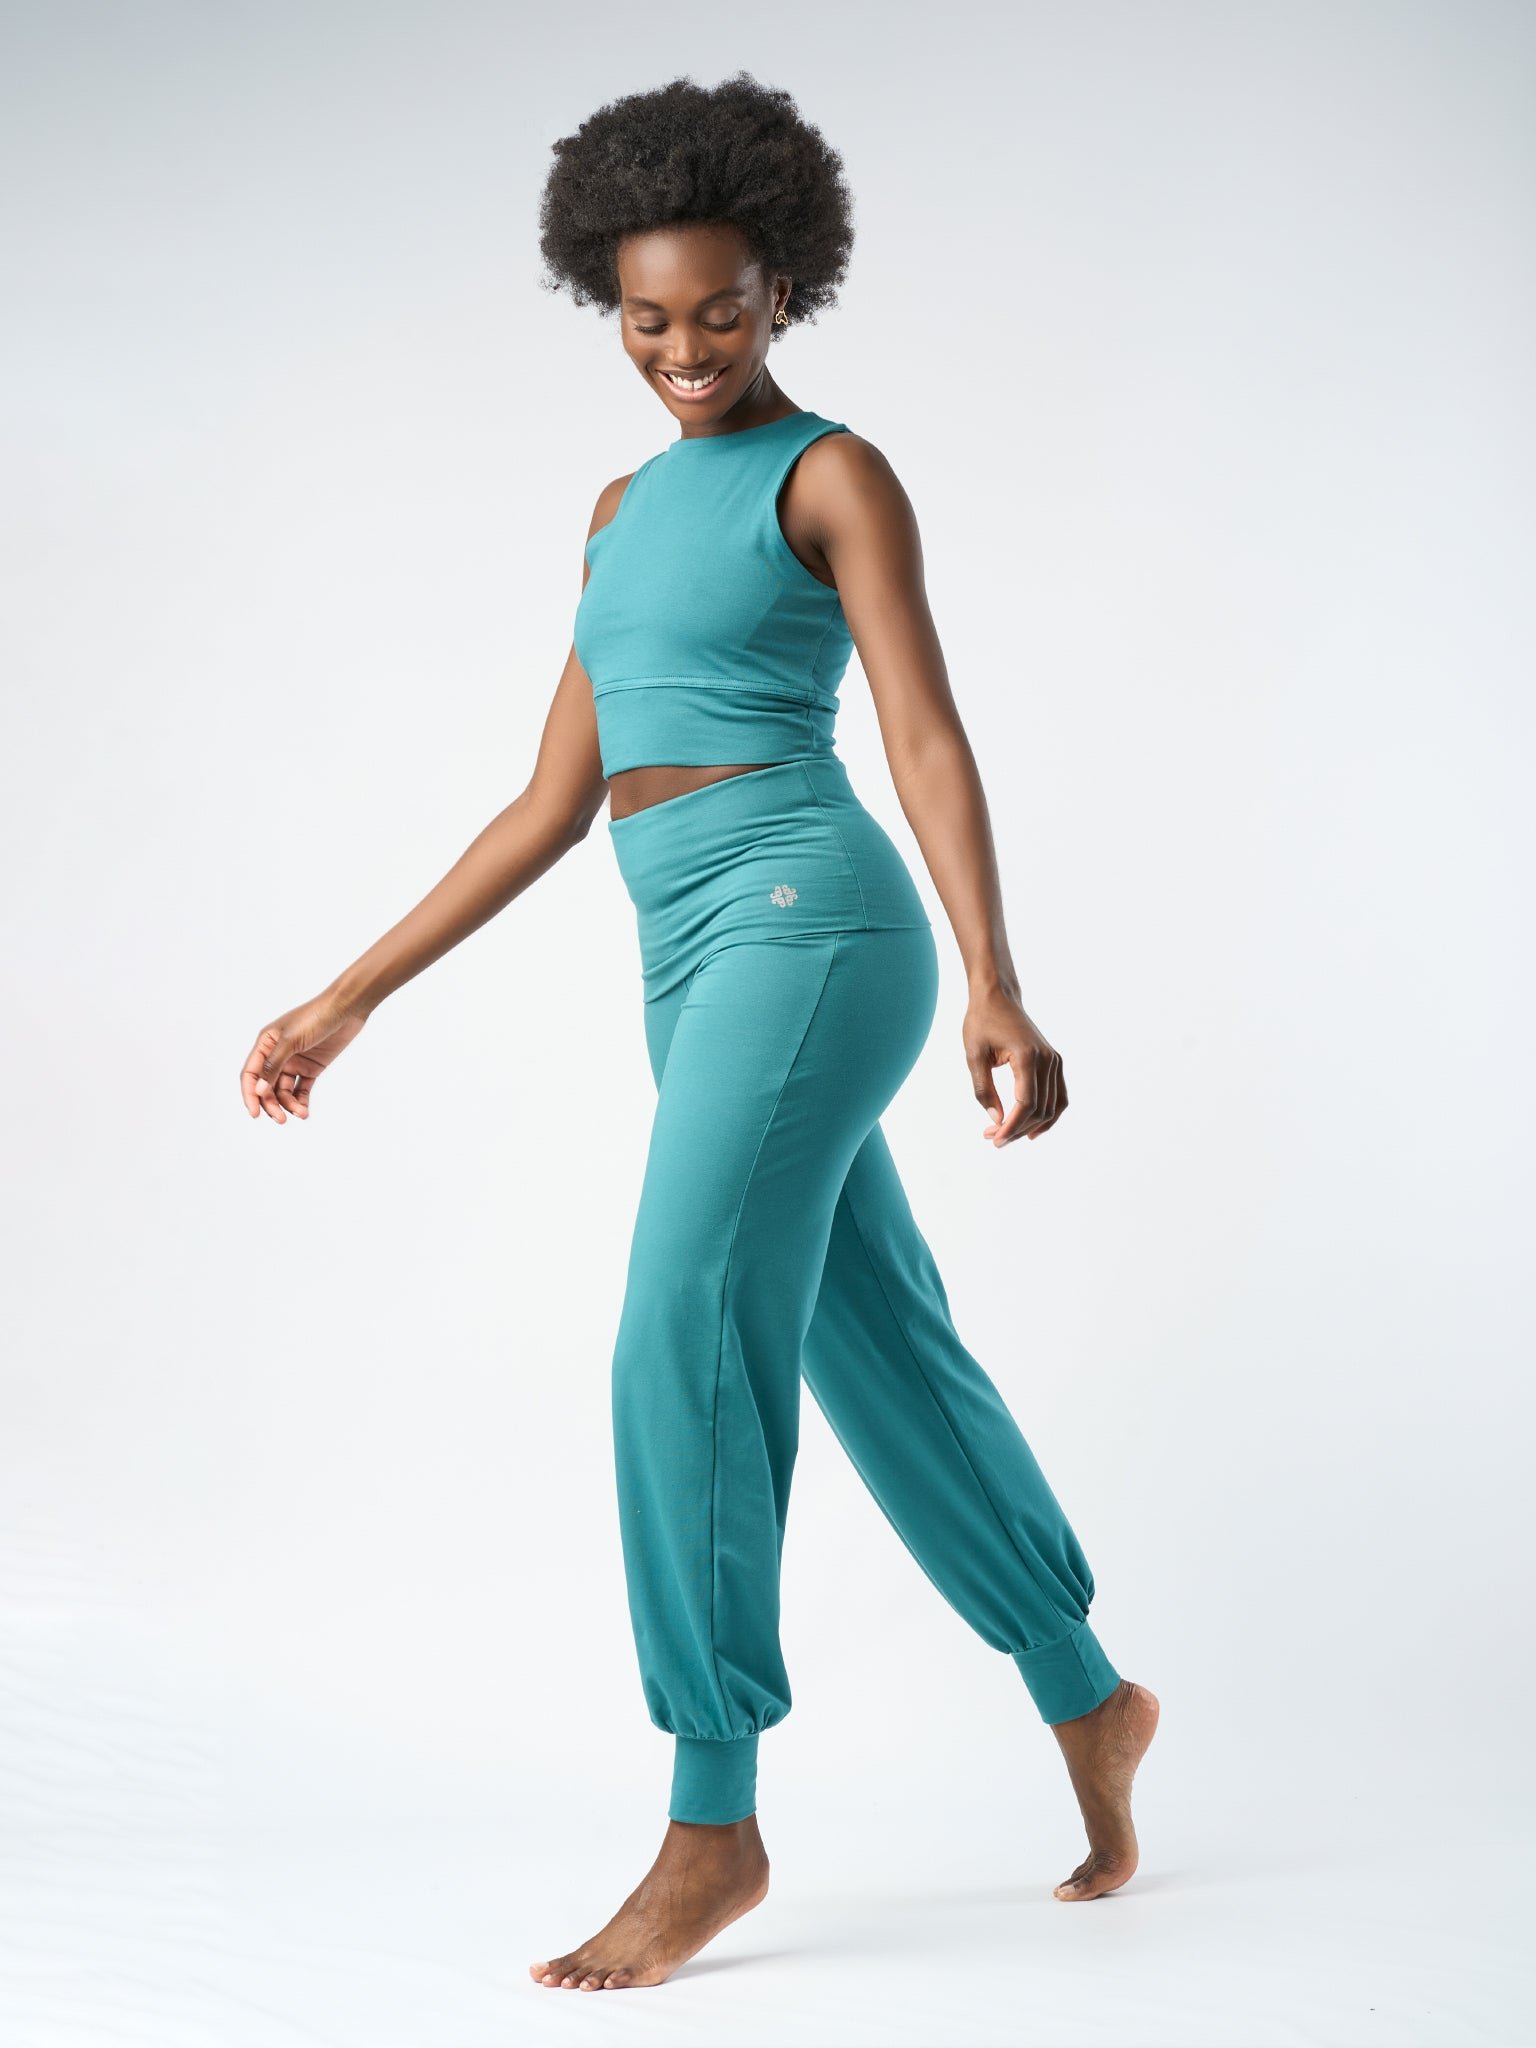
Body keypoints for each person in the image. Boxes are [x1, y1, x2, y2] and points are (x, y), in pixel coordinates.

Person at [239, 70, 1158, 1995]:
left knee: (681, 1324)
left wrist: (993, 972)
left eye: (721, 311)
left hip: (814, 924)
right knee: (873, 1345)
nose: (684, 350)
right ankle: (1089, 1691)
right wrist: (347, 996)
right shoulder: (619, 511)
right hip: (686, 957)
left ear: (782, 290)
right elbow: (549, 803)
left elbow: (921, 731)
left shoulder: (832, 474)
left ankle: (712, 1815)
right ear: (609, 300)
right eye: (647, 317)